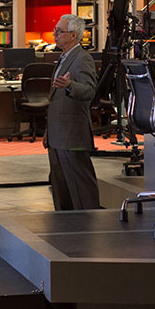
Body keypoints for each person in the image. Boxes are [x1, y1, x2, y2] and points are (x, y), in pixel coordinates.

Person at [44, 14, 100, 210]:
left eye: (59, 31)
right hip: (58, 134)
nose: (54, 35)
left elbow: (89, 91)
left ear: (73, 35)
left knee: (81, 186)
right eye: (56, 30)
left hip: (72, 134)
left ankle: (89, 221)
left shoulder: (82, 59)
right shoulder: (63, 58)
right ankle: (64, 222)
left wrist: (70, 86)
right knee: (61, 187)